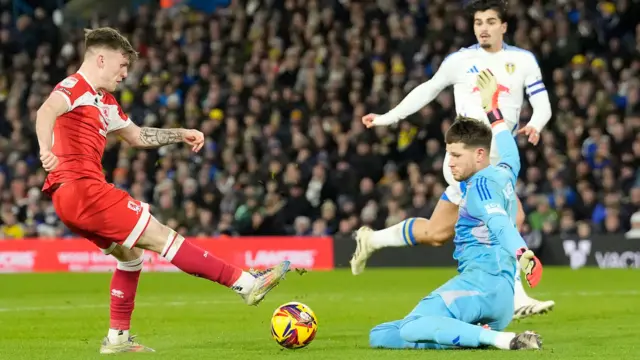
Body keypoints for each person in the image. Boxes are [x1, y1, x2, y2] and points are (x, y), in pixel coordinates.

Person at [36, 27, 291, 354]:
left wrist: (180, 133)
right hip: (81, 188)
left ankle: (117, 340)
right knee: (163, 236)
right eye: (122, 65)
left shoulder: (105, 103)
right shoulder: (75, 87)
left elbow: (138, 136)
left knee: (131, 257)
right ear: (101, 59)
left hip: (71, 198)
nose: (125, 74)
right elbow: (46, 111)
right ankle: (246, 284)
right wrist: (46, 148)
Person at [349, 0, 554, 319]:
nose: (483, 28)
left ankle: (371, 239)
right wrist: (388, 117)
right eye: (477, 22)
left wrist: (536, 124)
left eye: (489, 21)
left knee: (436, 232)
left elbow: (542, 103)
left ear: (504, 26)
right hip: (467, 158)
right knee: (510, 217)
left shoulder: (522, 60)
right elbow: (428, 90)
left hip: (498, 155)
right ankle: (516, 297)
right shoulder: (461, 60)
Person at [368, 69, 543, 351]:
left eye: (457, 155)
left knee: (412, 327)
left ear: (479, 155)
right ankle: (473, 336)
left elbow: (500, 224)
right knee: (382, 334)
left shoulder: (478, 190)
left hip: (477, 289)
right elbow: (510, 149)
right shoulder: (506, 171)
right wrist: (492, 108)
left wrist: (522, 253)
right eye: (449, 154)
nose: (450, 163)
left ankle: (504, 340)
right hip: (501, 299)